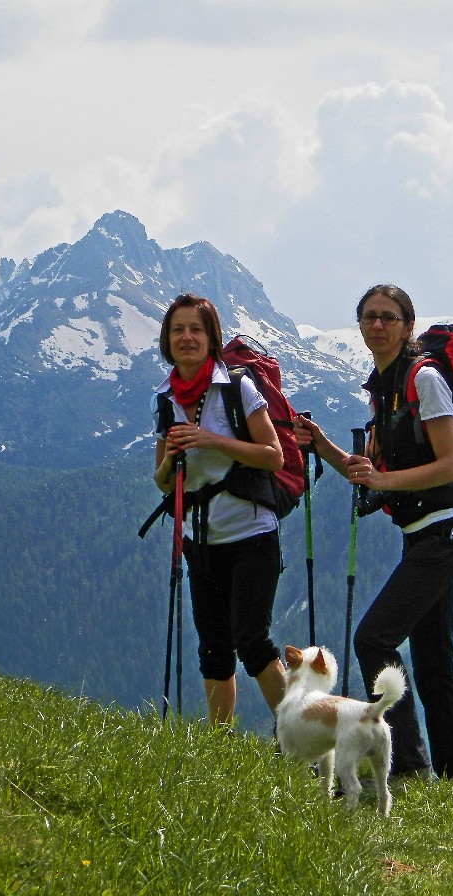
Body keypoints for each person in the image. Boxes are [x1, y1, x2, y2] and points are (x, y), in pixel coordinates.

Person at [293, 284, 453, 783]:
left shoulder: (425, 380)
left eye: (389, 317)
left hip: (445, 534)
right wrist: (323, 445)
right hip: (424, 535)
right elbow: (367, 471)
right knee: (436, 670)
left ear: (408, 326)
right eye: (370, 317)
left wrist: (384, 481)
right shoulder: (384, 387)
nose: (378, 325)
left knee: (374, 638)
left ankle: (410, 768)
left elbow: (449, 466)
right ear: (359, 326)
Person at [154, 293, 288, 725]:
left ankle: (299, 739)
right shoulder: (163, 399)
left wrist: (210, 440)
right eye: (178, 330)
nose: (186, 337)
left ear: (212, 339)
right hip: (201, 539)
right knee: (213, 646)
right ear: (167, 339)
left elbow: (273, 455)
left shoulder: (237, 388)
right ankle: (218, 747)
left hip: (251, 534)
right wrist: (171, 460)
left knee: (252, 641)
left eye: (196, 329)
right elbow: (160, 480)